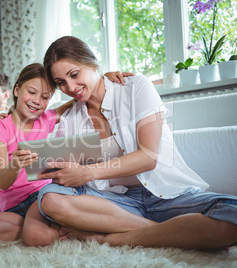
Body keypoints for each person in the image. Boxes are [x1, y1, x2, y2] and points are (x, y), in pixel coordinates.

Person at [28, 36, 236, 249]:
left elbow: (148, 157)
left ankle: (108, 239)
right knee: (50, 199)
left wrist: (88, 173)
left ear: (92, 64)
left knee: (231, 218)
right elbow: (65, 172)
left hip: (164, 194)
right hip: (115, 204)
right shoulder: (70, 118)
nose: (70, 87)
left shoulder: (136, 87)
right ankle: (170, 231)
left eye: (74, 74)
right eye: (61, 82)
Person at [0, 63, 155, 245]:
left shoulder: (47, 118)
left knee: (37, 238)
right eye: (31, 92)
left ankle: (48, 227)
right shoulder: (0, 128)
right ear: (17, 90)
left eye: (45, 97)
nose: (37, 101)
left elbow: (77, 97)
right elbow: (2, 182)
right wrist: (15, 165)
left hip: (44, 198)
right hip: (14, 207)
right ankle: (60, 228)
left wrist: (102, 79)